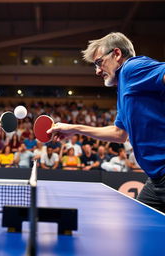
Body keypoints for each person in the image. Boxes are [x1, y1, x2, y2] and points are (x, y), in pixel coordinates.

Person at [47, 32, 165, 212]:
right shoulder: (124, 88)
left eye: (99, 62)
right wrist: (75, 128)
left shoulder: (132, 68)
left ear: (117, 54)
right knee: (141, 227)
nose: (97, 71)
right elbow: (118, 134)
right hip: (156, 179)